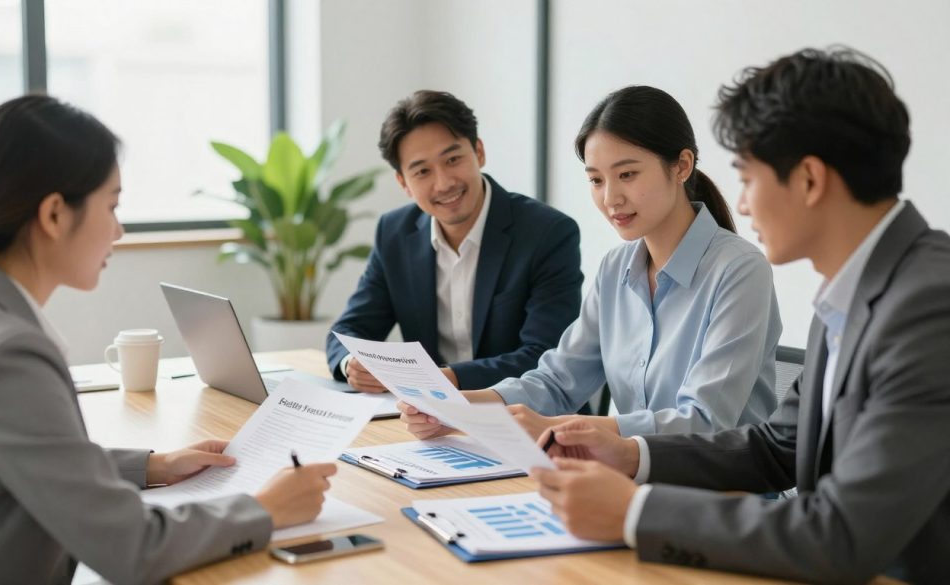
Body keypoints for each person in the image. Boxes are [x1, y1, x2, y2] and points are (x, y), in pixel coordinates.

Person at [533, 48, 950, 585]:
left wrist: (635, 513)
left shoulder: (927, 304)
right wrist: (630, 454)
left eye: (748, 178)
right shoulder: (852, 287)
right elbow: (775, 447)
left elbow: (844, 534)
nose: (743, 204)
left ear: (809, 180)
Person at [0, 95, 336, 585]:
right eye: (112, 206)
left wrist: (154, 466)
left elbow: (36, 458)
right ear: (54, 215)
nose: (119, 231)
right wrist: (265, 509)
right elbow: (132, 547)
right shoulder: (7, 355)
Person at [400, 86, 781, 441]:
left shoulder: (740, 270)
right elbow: (557, 382)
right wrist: (454, 406)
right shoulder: (616, 269)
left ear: (682, 166)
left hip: (726, 498)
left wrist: (558, 428)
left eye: (627, 174)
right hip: (634, 481)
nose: (611, 198)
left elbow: (704, 421)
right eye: (597, 180)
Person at [325, 90, 583, 393]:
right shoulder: (395, 233)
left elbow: (545, 356)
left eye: (453, 159)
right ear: (403, 183)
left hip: (528, 418)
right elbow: (347, 331)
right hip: (432, 419)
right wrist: (353, 363)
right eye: (422, 171)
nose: (444, 183)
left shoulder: (548, 233)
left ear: (479, 152)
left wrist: (446, 379)